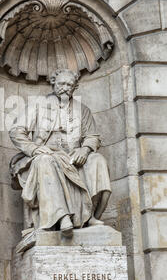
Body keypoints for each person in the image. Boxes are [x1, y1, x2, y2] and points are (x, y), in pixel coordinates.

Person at [9, 69, 111, 242]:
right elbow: (16, 131)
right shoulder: (37, 105)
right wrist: (33, 148)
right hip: (44, 154)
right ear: (54, 83)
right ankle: (61, 217)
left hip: (73, 157)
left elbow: (93, 137)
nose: (65, 88)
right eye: (62, 84)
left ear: (75, 87)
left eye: (70, 85)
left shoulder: (82, 110)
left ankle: (89, 216)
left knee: (97, 160)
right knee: (45, 161)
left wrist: (84, 150)